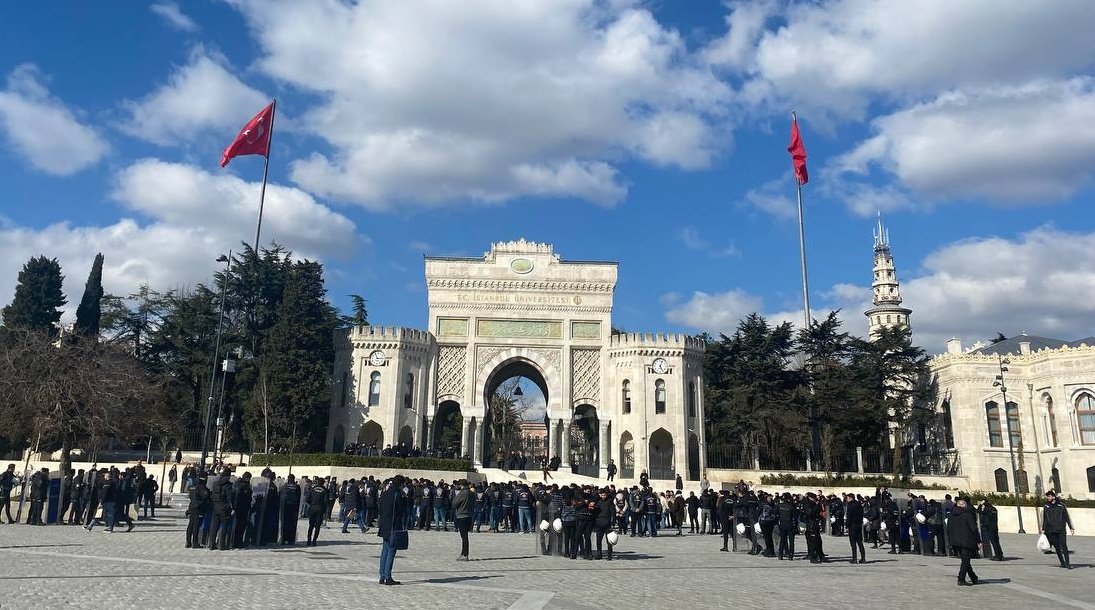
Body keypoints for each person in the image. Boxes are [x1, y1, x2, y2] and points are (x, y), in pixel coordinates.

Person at [377, 475, 408, 585]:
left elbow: (380, 508)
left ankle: (382, 576)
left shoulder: (385, 492)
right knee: (391, 551)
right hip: (393, 525)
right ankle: (388, 577)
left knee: (384, 551)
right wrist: (405, 498)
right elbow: (402, 509)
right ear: (401, 484)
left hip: (384, 524)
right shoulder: (397, 493)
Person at [947, 496, 981, 586]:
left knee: (965, 560)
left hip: (956, 541)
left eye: (963, 504)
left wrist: (950, 541)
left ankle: (973, 577)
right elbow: (974, 529)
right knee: (965, 561)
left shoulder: (951, 515)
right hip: (967, 541)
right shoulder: (967, 515)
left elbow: (948, 529)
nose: (963, 505)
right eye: (962, 504)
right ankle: (961, 578)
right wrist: (978, 541)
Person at [1041, 490, 1074, 569]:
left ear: (1053, 496)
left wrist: (1071, 527)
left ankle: (1068, 563)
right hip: (1051, 530)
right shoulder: (1046, 506)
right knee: (1057, 548)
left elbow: (1066, 517)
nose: (1047, 498)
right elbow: (1045, 518)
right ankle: (1062, 563)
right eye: (1047, 496)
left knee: (1063, 546)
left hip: (1061, 530)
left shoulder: (1061, 506)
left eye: (1049, 496)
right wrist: (1043, 529)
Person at [451, 480, 474, 561]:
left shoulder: (462, 493)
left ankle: (465, 554)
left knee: (464, 536)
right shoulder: (472, 493)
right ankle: (464, 553)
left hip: (462, 515)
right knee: (465, 536)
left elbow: (454, 503)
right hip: (470, 515)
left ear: (461, 485)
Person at [186, 477, 210, 548]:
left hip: (191, 507)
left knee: (190, 525)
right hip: (199, 508)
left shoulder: (192, 487)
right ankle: (195, 542)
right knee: (196, 526)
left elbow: (190, 496)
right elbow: (205, 496)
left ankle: (188, 542)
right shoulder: (201, 487)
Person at [306, 478, 329, 547]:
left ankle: (308, 541)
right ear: (323, 483)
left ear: (317, 482)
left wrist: (311, 503)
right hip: (320, 508)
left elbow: (307, 499)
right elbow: (326, 501)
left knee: (311, 525)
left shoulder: (312, 489)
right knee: (318, 526)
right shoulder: (325, 490)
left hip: (313, 507)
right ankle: (314, 541)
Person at [280, 474, 301, 545]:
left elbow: (281, 495)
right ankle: (291, 539)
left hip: (285, 507)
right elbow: (298, 498)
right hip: (294, 508)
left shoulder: (284, 486)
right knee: (292, 524)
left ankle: (283, 539)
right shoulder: (297, 487)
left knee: (284, 524)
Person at [846, 493, 866, 564]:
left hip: (852, 526)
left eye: (848, 498)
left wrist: (847, 526)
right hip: (859, 525)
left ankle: (854, 558)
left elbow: (849, 516)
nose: (847, 499)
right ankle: (863, 558)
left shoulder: (850, 506)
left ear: (851, 498)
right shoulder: (859, 505)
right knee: (860, 542)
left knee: (853, 543)